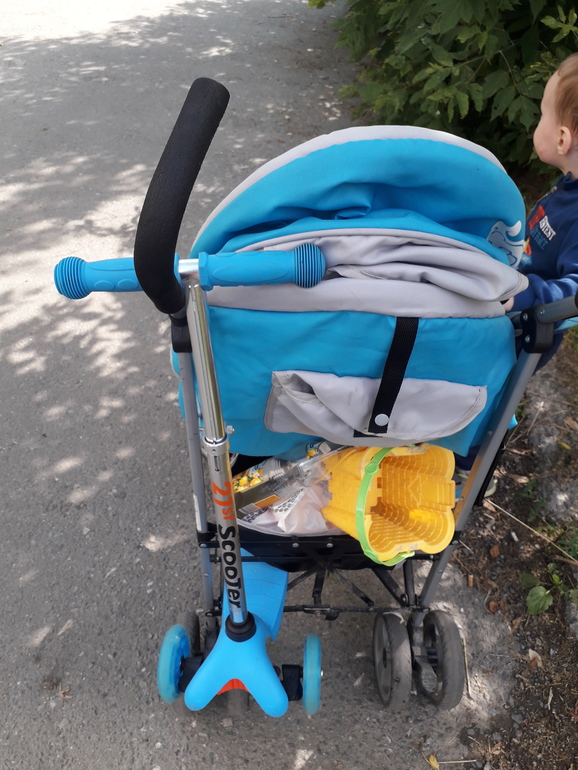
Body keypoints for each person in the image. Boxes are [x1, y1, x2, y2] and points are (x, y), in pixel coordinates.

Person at [454, 53, 578, 497]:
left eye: (542, 113)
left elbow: (575, 292)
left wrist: (522, 294)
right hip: (508, 304)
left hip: (523, 330)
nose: (537, 123)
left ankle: (466, 472)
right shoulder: (570, 187)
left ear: (562, 137)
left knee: (486, 396)